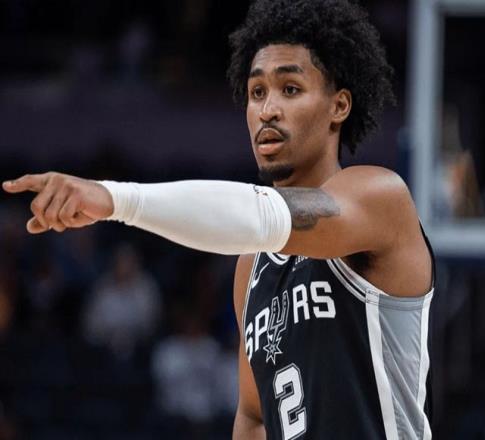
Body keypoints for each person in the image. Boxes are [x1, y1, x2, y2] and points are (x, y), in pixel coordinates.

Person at [2, 0, 435, 438]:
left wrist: (116, 199)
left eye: (290, 89)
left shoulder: (380, 199)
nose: (267, 109)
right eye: (257, 92)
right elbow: (253, 415)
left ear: (339, 106)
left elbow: (263, 215)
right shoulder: (251, 268)